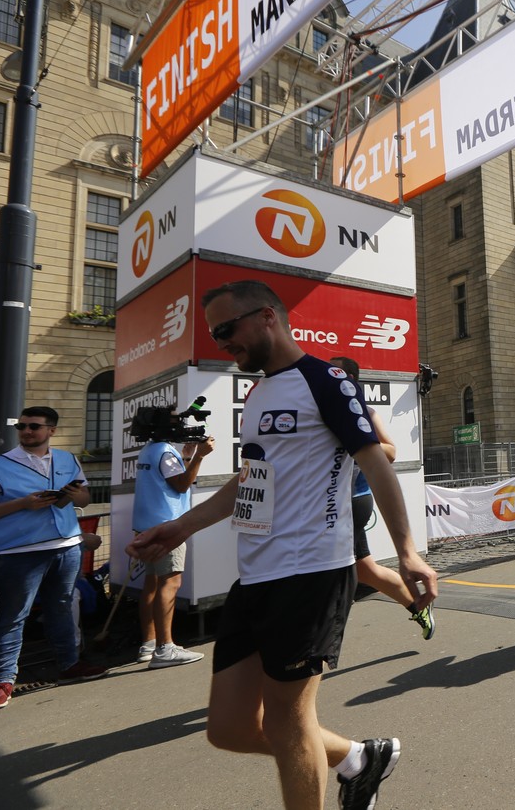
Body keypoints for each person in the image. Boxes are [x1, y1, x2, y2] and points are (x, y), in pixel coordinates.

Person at [127, 280, 437, 810]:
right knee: (228, 728)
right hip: (255, 575)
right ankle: (358, 758)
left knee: (290, 724)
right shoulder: (259, 393)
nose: (222, 342)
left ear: (267, 316)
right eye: (215, 335)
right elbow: (251, 479)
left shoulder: (325, 380)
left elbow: (376, 462)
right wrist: (180, 528)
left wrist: (407, 551)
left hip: (312, 572)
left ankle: (351, 766)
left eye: (227, 329)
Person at [0, 406, 104, 711]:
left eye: (33, 426)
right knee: (12, 615)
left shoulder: (68, 459)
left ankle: (69, 665)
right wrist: (22, 504)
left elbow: (85, 498)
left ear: (51, 430)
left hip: (66, 546)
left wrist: (71, 494)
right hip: (18, 552)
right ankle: (3, 681)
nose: (26, 431)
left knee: (61, 607)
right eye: (22, 426)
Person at [330, 356, 434, 640]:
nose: (327, 373)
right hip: (332, 501)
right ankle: (418, 605)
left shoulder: (364, 411)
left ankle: (321, 636)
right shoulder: (323, 410)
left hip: (353, 500)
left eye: (334, 369)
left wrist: (359, 442)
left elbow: (391, 451)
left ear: (350, 379)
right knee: (365, 570)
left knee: (333, 569)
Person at [132, 410, 215, 668]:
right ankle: (165, 649)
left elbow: (168, 479)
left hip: (146, 525)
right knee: (170, 583)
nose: (181, 425)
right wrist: (199, 456)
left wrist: (187, 457)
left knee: (152, 584)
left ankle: (149, 643)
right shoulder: (165, 452)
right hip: (166, 526)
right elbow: (181, 484)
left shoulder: (149, 450)